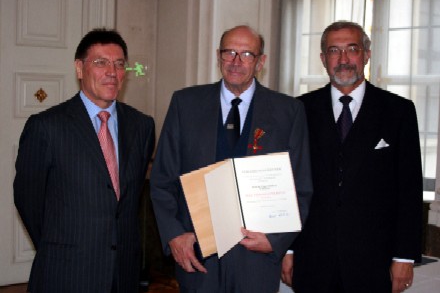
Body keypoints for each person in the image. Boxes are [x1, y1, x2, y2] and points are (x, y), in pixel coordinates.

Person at [150, 25, 313, 293]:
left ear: (261, 62)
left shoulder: (289, 111)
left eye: (247, 54)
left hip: (256, 261)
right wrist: (174, 236)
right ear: (218, 56)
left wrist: (276, 240)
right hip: (197, 256)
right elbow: (162, 179)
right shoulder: (185, 104)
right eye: (230, 52)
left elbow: (301, 188)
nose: (236, 62)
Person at [281, 21, 423, 293]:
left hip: (374, 261)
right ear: (323, 59)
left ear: (367, 54)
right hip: (312, 259)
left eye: (352, 49)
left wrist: (404, 256)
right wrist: (287, 249)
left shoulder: (398, 111)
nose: (343, 59)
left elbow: (409, 190)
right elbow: (288, 184)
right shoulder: (299, 110)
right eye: (334, 50)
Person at [14, 28, 155, 293]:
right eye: (101, 62)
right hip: (67, 271)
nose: (112, 72)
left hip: (123, 272)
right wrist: (60, 246)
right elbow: (28, 199)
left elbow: (129, 200)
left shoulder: (142, 126)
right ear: (80, 68)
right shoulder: (46, 127)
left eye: (119, 64)